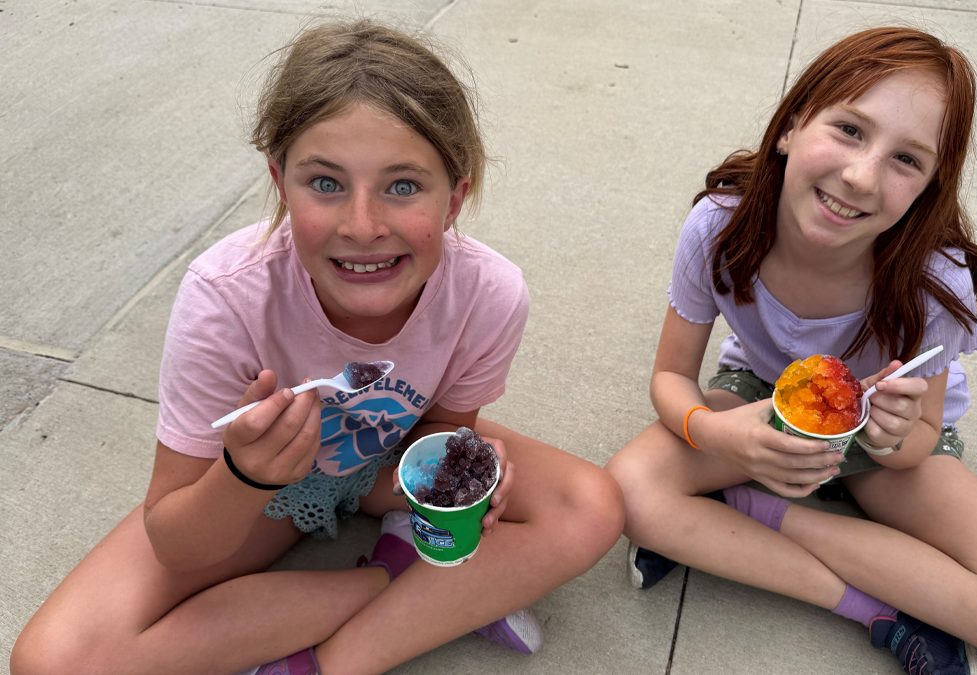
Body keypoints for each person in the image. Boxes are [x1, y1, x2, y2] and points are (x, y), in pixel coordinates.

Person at [11, 18, 623, 675]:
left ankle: (333, 660)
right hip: (261, 485)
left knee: (590, 508)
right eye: (326, 183)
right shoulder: (226, 298)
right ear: (281, 183)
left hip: (384, 458)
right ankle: (413, 585)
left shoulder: (488, 294)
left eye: (403, 185)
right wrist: (247, 475)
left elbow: (438, 425)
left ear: (455, 198)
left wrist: (449, 472)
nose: (362, 226)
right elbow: (179, 541)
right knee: (51, 662)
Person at [605, 27, 977, 675]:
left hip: (884, 437)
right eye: (850, 129)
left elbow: (918, 437)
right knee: (628, 492)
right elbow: (670, 376)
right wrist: (718, 435)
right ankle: (877, 611)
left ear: (930, 186)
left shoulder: (936, 280)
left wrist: (889, 438)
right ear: (791, 125)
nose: (860, 176)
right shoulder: (720, 225)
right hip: (763, 393)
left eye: (906, 159)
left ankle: (746, 507)